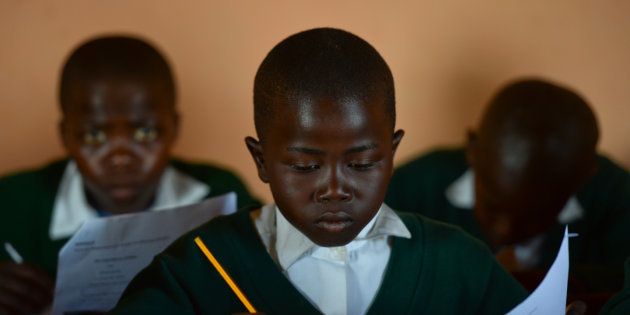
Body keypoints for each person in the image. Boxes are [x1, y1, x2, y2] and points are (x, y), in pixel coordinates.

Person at [110, 28, 527, 315]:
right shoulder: (200, 268)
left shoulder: (458, 264)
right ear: (261, 161)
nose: (334, 188)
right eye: (305, 166)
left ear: (392, 153)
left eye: (362, 164)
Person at [0, 35, 259, 315]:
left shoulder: (219, 195)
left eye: (145, 132)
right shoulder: (12, 203)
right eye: (94, 134)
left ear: (174, 127)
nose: (121, 158)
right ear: (65, 135)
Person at [385, 79, 630, 291]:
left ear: (583, 178)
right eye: (491, 205)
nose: (504, 231)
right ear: (472, 149)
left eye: (533, 216)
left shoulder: (617, 200)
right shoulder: (410, 189)